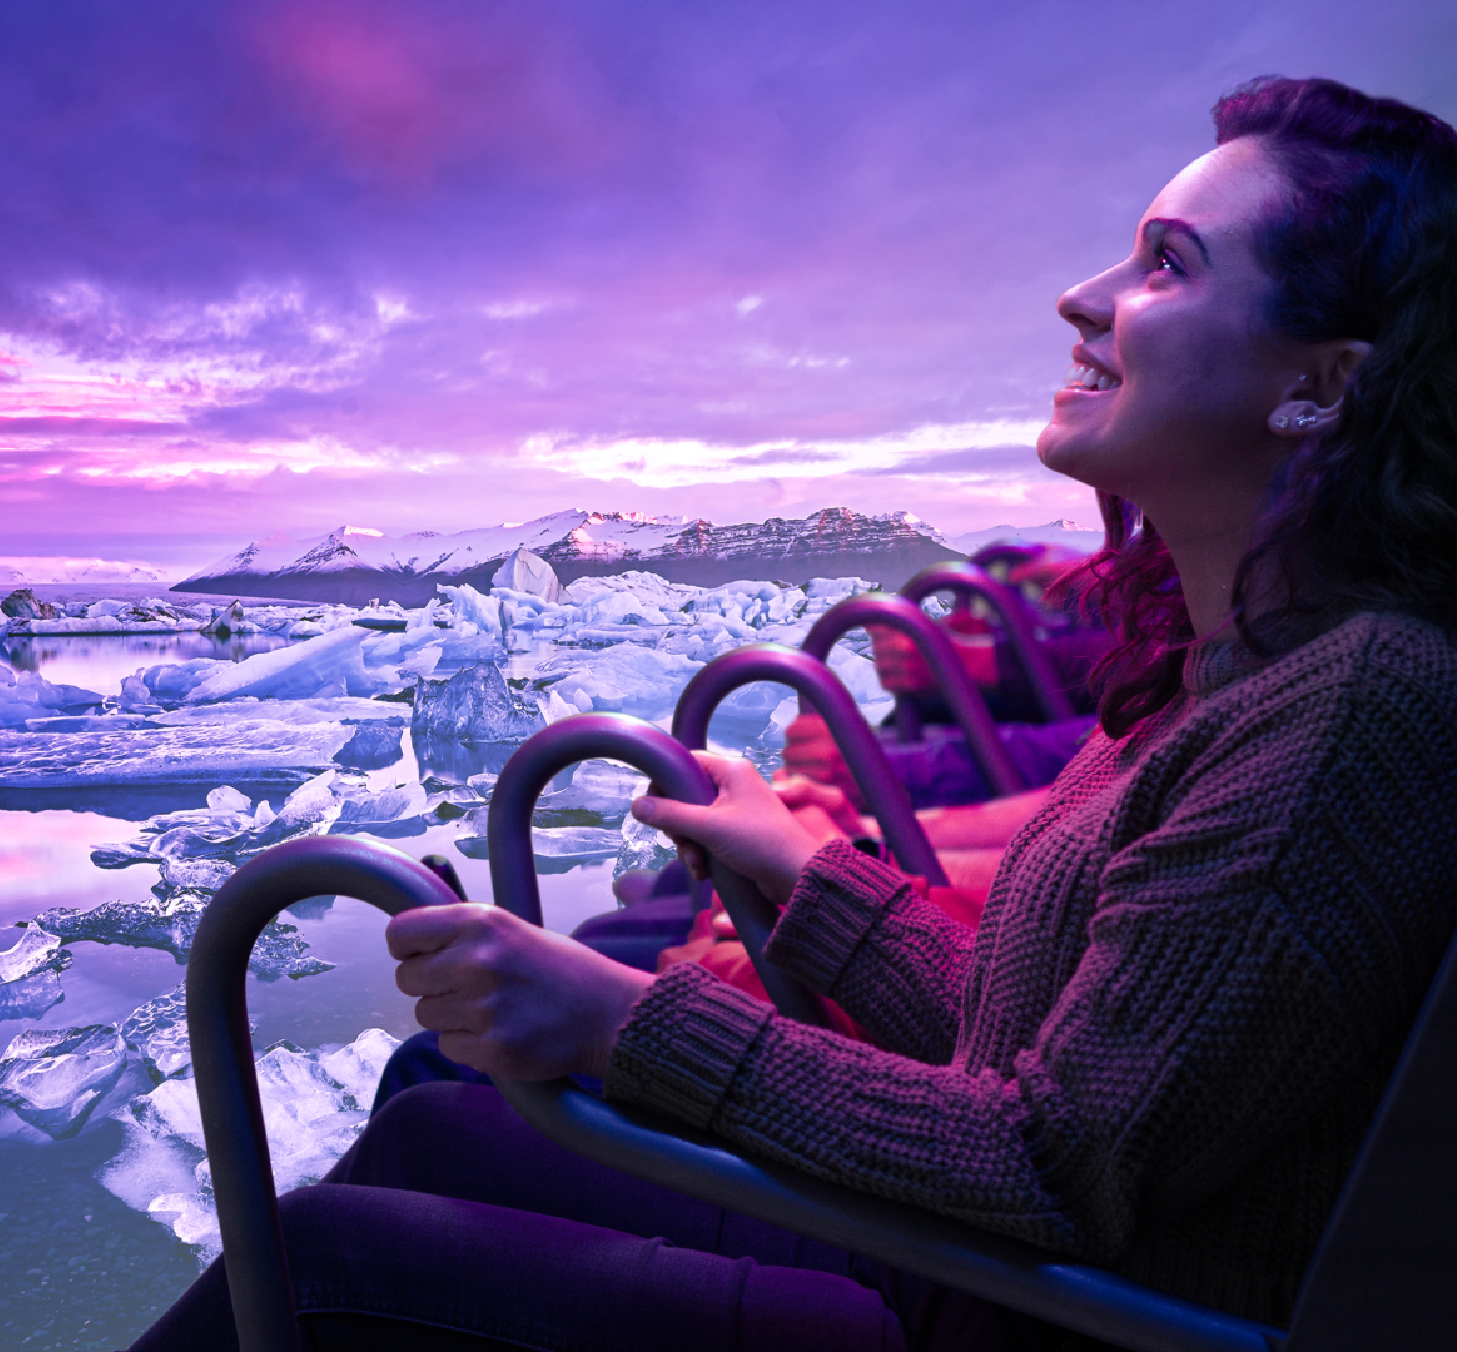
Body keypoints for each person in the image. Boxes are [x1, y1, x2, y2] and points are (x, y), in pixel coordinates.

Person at [132, 76, 1457, 1351]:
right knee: (437, 1132)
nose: (1084, 296)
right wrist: (813, 873)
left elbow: (1052, 1164)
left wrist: (618, 1019)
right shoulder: (1242, 670)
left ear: (1322, 389)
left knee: (322, 1262)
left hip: (1030, 1311)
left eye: (1168, 264)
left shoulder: (1349, 711)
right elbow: (1050, 1045)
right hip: (1006, 1279)